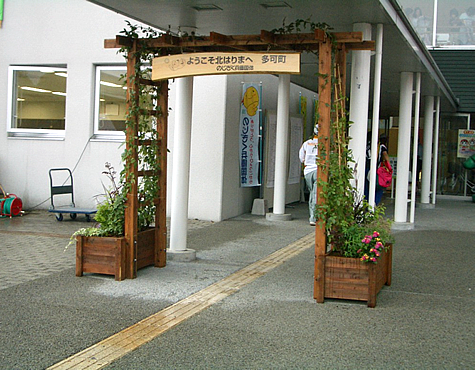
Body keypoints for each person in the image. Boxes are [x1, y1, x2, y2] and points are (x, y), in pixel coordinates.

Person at [299, 125, 318, 226]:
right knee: (315, 194)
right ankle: (313, 217)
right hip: (318, 171)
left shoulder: (307, 143)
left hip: (308, 172)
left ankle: (313, 215)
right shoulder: (324, 144)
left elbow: (301, 158)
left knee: (312, 193)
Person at [364, 133, 390, 205]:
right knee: (379, 186)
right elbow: (385, 155)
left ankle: (366, 202)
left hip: (365, 169)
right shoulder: (381, 146)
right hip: (376, 169)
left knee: (366, 187)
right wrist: (388, 167)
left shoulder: (364, 145)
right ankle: (375, 202)